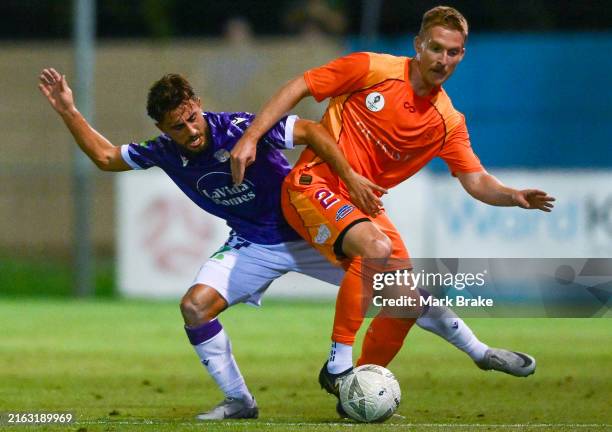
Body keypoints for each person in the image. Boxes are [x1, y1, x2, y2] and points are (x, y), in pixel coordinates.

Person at [39, 65, 542, 422]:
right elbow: (106, 158)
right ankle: (240, 402)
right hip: (253, 244)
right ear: (162, 128)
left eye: (192, 117)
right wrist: (69, 110)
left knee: (400, 294)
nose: (190, 131)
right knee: (194, 307)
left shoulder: (235, 128)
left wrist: (346, 178)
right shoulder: (165, 152)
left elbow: (313, 130)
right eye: (177, 126)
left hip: (307, 227)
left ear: (197, 105)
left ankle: (480, 352)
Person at [231, 5, 555, 411]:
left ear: (462, 56)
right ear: (418, 45)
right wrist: (251, 137)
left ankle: (360, 391)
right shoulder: (372, 68)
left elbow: (475, 180)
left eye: (453, 52)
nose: (442, 60)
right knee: (376, 248)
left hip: (361, 204)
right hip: (313, 184)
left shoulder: (447, 121)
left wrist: (513, 196)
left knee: (408, 302)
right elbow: (300, 85)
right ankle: (337, 367)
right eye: (435, 48)